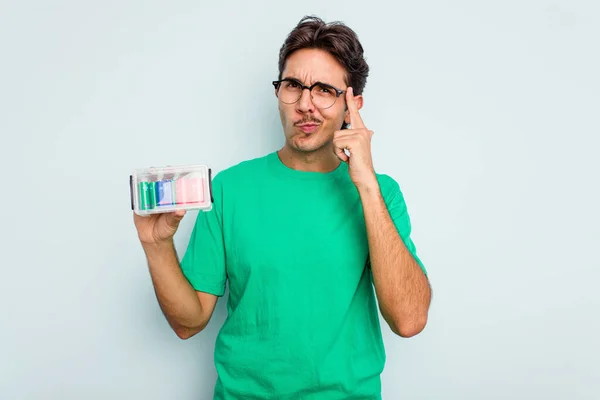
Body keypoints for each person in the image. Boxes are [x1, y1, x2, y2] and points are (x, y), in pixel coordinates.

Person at [133, 15, 432, 400]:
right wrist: (156, 246)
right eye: (293, 86)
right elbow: (188, 322)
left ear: (352, 105)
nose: (305, 105)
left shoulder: (381, 193)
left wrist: (366, 185)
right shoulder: (228, 188)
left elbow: (409, 320)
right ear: (279, 93)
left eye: (324, 90)